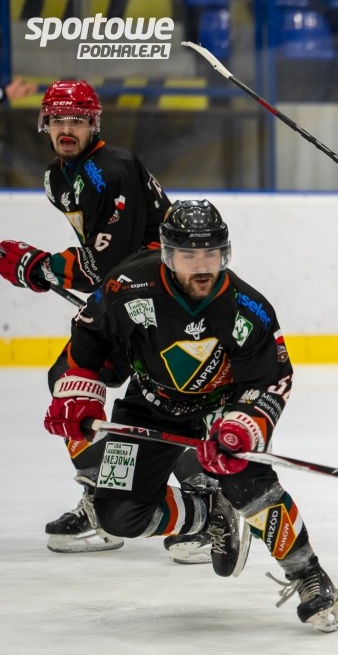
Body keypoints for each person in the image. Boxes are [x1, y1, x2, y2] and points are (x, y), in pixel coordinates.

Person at [41, 199, 338, 632]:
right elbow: (88, 339)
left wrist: (242, 426)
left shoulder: (247, 308)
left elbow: (272, 381)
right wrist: (78, 392)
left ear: (225, 253)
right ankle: (207, 513)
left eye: (211, 253)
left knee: (248, 485)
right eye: (189, 255)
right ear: (168, 254)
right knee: (117, 514)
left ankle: (309, 576)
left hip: (220, 411)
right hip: (149, 403)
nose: (202, 266)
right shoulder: (128, 285)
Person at [0, 79, 210, 561]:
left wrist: (39, 266)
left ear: (94, 124)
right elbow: (107, 262)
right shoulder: (59, 178)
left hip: (167, 303)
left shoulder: (111, 169)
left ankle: (205, 506)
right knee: (75, 381)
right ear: (44, 123)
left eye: (77, 120)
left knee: (159, 397)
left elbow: (111, 261)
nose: (66, 128)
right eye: (58, 118)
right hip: (129, 297)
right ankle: (105, 496)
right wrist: (46, 270)